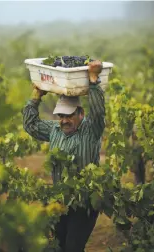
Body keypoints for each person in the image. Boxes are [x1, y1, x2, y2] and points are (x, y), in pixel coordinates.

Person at [22, 60, 105, 252]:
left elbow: (99, 112)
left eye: (69, 116)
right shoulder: (54, 130)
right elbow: (30, 125)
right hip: (60, 201)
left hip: (84, 202)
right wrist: (36, 96)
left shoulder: (91, 131)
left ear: (81, 114)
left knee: (73, 247)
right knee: (57, 246)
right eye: (61, 116)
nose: (64, 120)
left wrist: (93, 81)